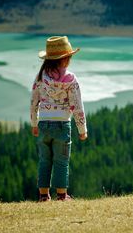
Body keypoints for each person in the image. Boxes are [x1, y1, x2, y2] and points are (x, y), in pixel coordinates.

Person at [30, 36, 87, 202]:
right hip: (62, 124)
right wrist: (82, 130)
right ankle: (62, 195)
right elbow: (77, 106)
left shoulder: (40, 77)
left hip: (43, 124)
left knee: (44, 160)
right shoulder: (70, 79)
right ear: (66, 58)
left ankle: (43, 196)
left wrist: (34, 123)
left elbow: (34, 101)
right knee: (61, 161)